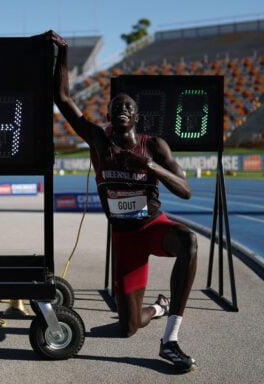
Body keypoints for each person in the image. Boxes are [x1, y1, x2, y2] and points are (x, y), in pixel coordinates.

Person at [46, 30, 198, 373]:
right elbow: (63, 98)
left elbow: (185, 190)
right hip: (124, 239)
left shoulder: (154, 145)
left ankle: (170, 340)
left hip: (153, 226)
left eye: (128, 107)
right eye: (116, 107)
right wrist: (63, 54)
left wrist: (150, 166)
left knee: (189, 241)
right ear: (111, 116)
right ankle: (158, 309)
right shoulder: (100, 142)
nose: (122, 110)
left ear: (136, 117)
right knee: (127, 327)